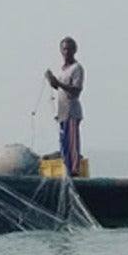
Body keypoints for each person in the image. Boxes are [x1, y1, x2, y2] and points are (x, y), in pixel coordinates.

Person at [44, 36, 85, 177]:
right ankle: (67, 169)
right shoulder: (62, 69)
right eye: (64, 49)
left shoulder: (77, 68)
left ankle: (74, 171)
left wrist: (59, 83)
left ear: (74, 50)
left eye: (69, 49)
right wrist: (52, 81)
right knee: (64, 144)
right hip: (61, 112)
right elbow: (59, 88)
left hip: (71, 112)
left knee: (72, 144)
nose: (66, 52)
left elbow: (76, 90)